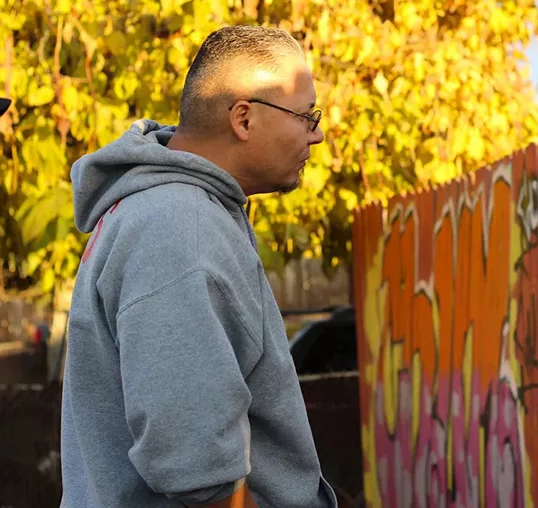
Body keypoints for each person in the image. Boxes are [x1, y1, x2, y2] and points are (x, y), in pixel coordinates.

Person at [60, 25, 336, 508]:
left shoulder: (176, 212)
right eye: (306, 115)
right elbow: (199, 475)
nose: (316, 134)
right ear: (244, 119)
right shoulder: (178, 227)